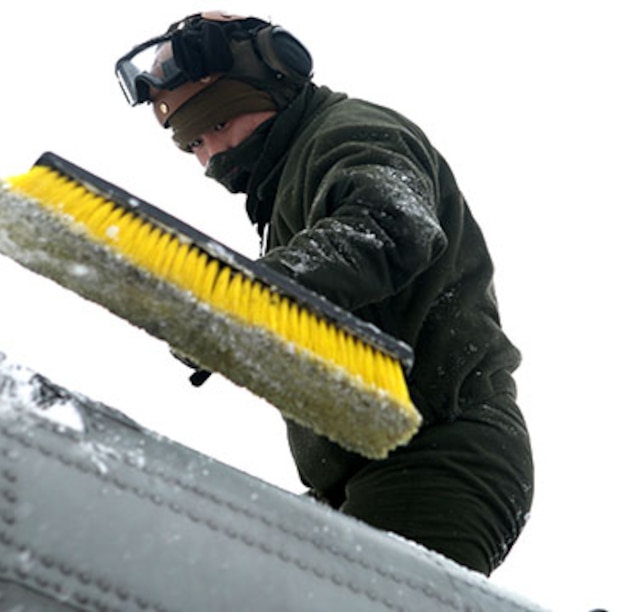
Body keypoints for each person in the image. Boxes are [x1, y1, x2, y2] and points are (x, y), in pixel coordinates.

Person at [115, 11, 533, 575]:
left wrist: (236, 294)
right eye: (192, 142)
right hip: (359, 475)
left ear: (275, 82)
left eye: (219, 123)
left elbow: (390, 227)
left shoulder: (350, 132)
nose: (211, 155)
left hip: (439, 454)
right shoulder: (285, 184)